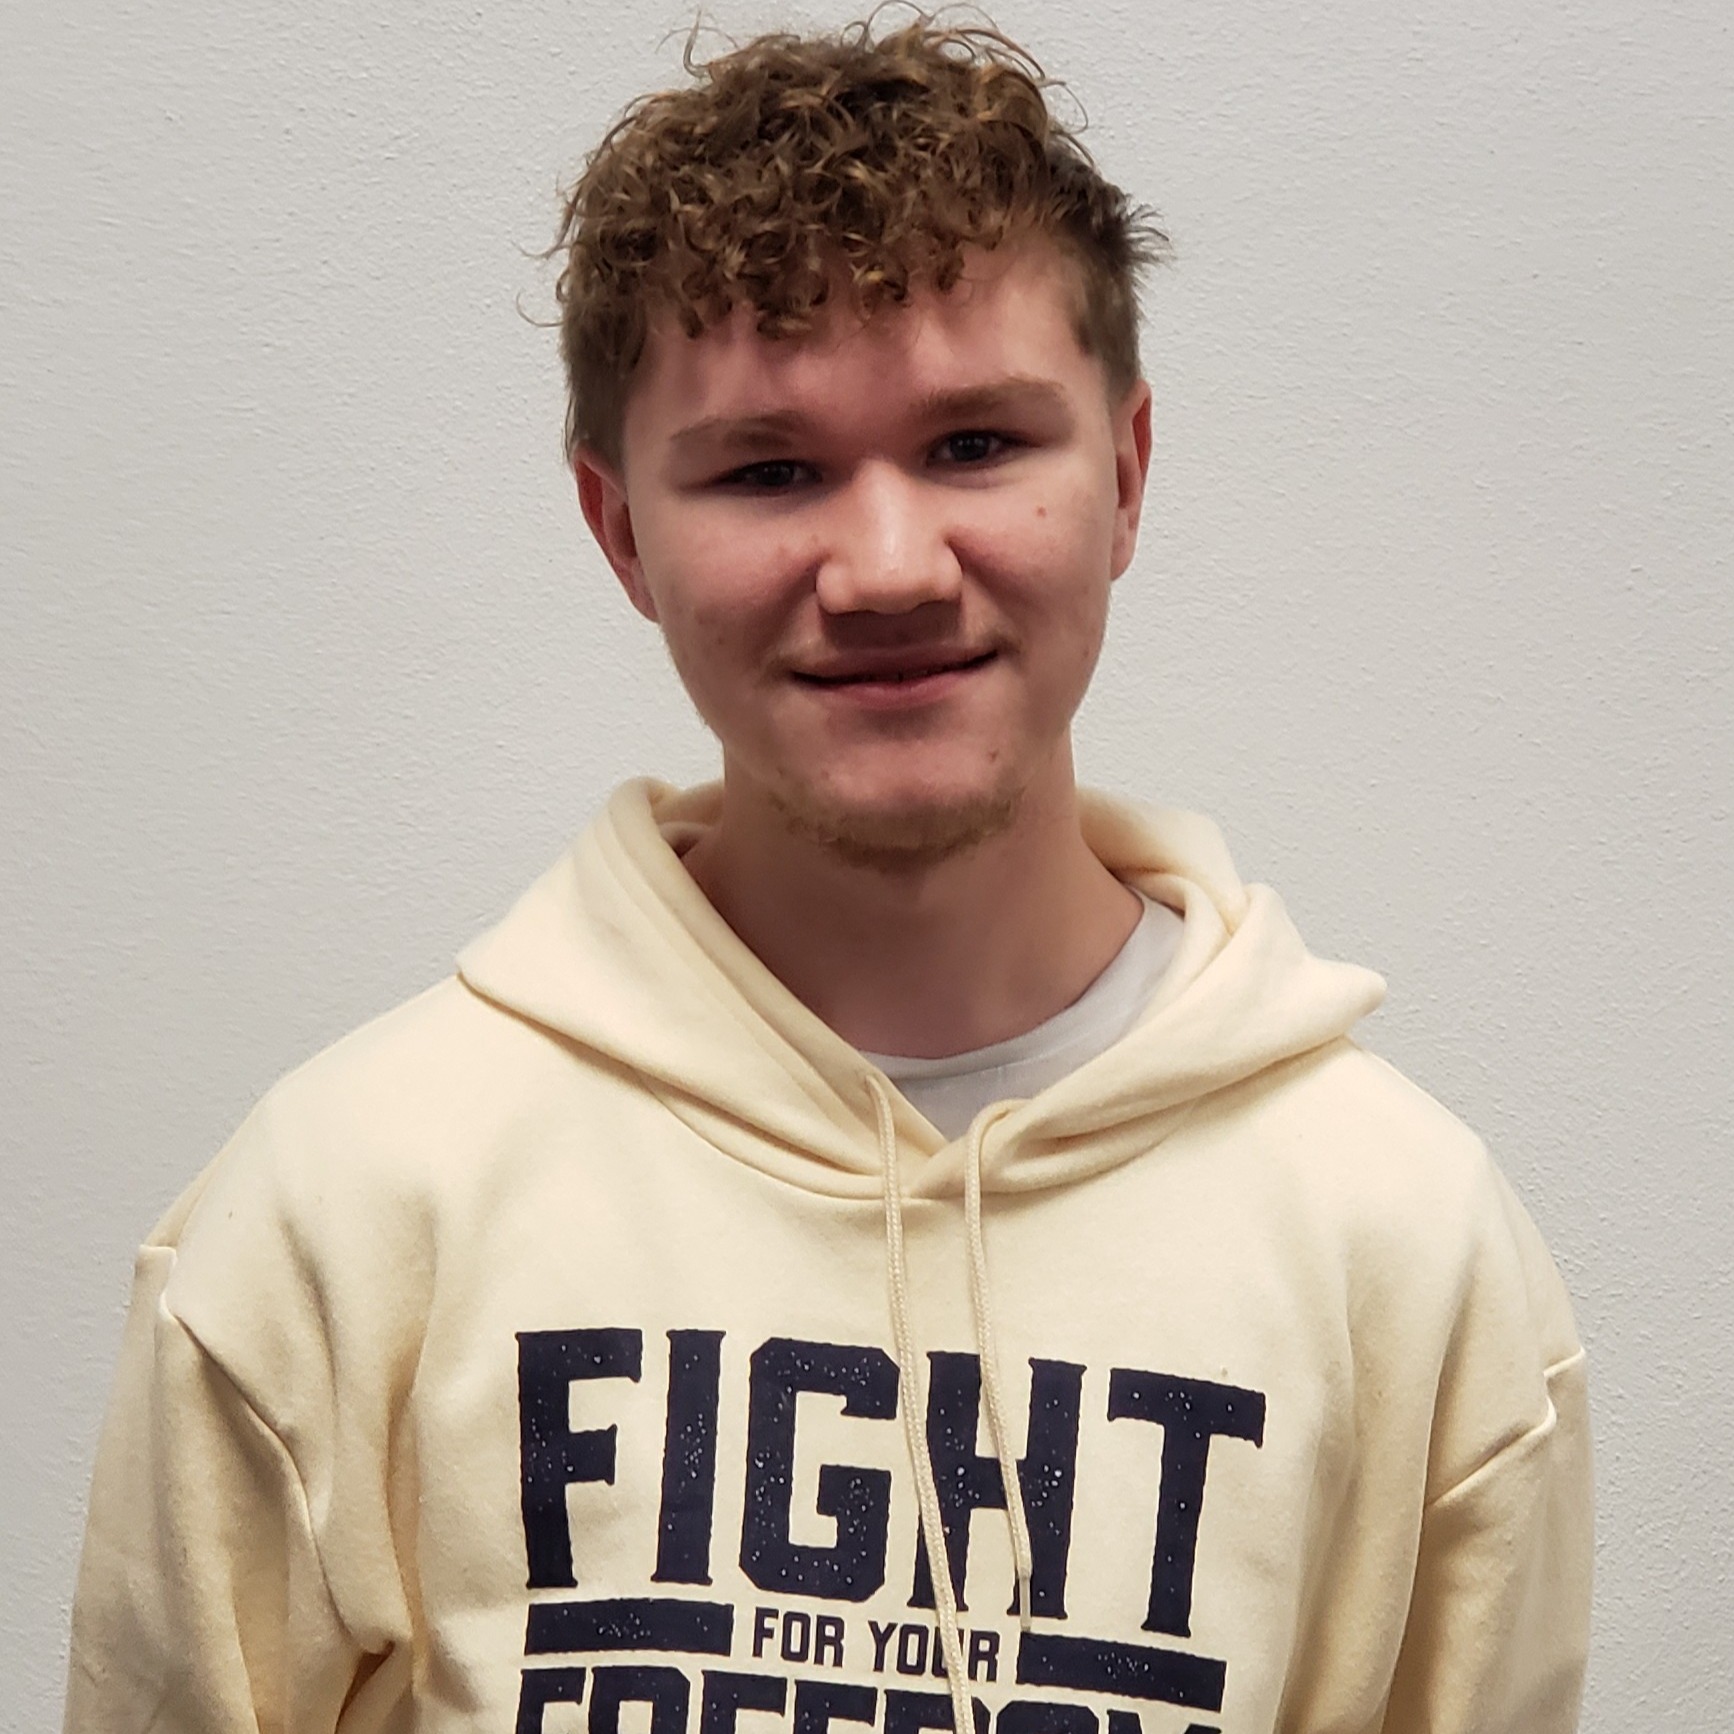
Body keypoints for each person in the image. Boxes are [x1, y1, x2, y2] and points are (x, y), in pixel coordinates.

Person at [63, 15, 1592, 1734]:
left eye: (974, 446)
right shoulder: (339, 1216)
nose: (881, 568)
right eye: (770, 470)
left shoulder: (1403, 1245)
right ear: (620, 528)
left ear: (1128, 473)